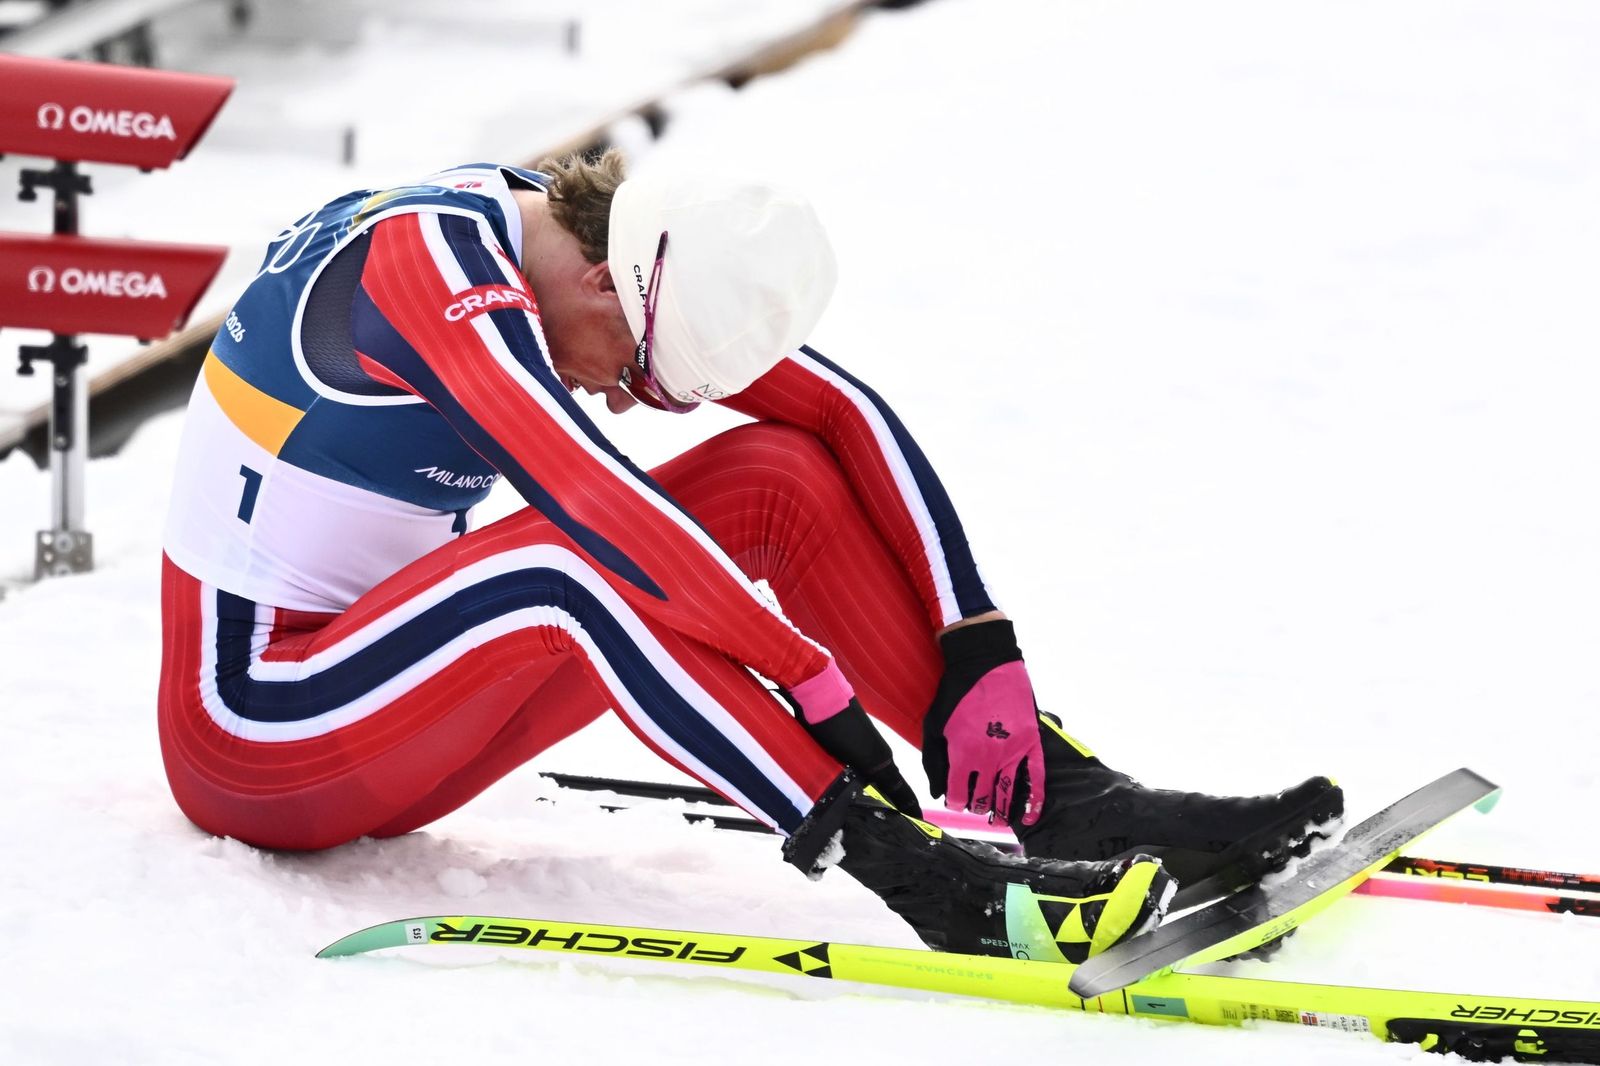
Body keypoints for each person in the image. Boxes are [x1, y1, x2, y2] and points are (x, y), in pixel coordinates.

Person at [158, 151, 1339, 964]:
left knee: (773, 476)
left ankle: (1065, 801)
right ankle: (918, 877)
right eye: (627, 371)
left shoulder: (588, 243)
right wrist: (806, 678)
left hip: (414, 703)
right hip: (260, 735)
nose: (623, 399)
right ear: (593, 280)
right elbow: (592, 501)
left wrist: (982, 644)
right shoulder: (428, 267)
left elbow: (839, 413)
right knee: (574, 560)